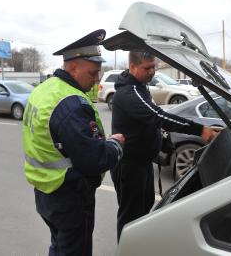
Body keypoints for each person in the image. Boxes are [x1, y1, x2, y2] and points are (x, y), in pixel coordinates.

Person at [22, 29, 125, 256]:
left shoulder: (44, 90)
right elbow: (94, 159)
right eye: (93, 72)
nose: (97, 79)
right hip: (68, 197)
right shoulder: (71, 103)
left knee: (59, 246)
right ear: (74, 67)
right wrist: (115, 145)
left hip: (45, 191)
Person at [110, 51, 219, 241]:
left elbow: (148, 122)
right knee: (130, 217)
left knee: (144, 210)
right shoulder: (129, 93)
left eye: (154, 66)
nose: (152, 71)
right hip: (130, 166)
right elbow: (158, 117)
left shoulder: (140, 87)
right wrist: (200, 130)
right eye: (147, 68)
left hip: (142, 163)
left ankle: (138, 248)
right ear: (133, 67)